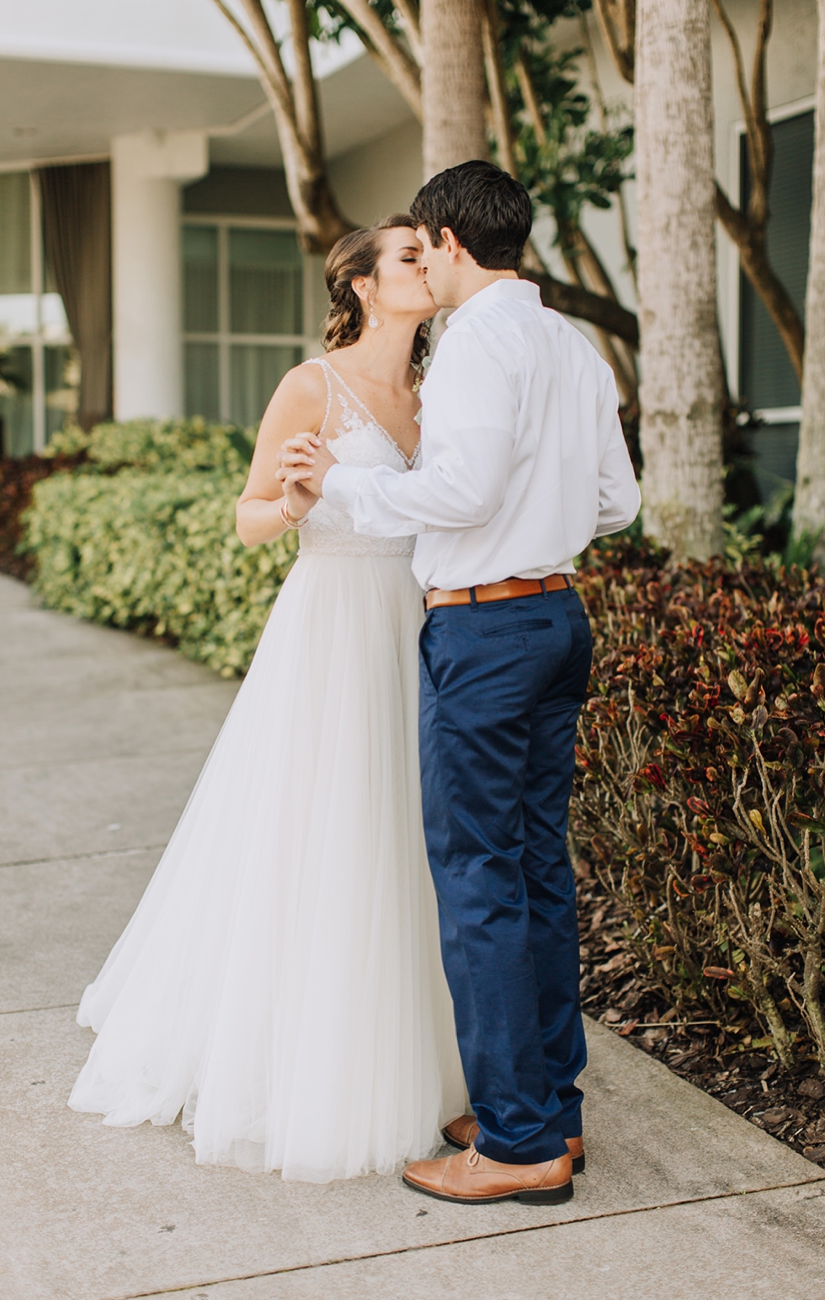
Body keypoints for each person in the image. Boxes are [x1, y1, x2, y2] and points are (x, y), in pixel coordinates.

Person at [68, 215, 467, 1183]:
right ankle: (302, 1064)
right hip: (330, 628)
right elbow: (248, 517)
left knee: (408, 842)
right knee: (320, 837)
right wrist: (288, 506)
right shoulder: (311, 386)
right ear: (365, 285)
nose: (427, 265)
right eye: (409, 256)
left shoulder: (441, 392)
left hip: (415, 631)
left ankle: (417, 1054)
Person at [280, 161, 641, 1205]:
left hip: (485, 631)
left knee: (480, 880)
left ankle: (520, 1140)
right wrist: (540, 509)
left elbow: (463, 486)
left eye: (419, 247)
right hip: (558, 615)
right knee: (536, 871)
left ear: (444, 241)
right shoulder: (570, 344)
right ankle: (548, 1112)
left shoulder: (480, 339)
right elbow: (614, 501)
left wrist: (346, 480)